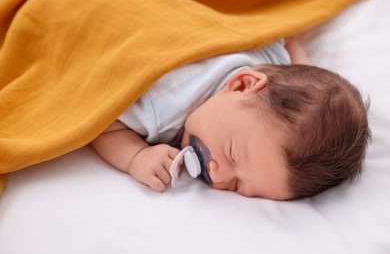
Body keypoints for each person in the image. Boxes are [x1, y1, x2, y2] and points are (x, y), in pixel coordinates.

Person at [90, 36, 370, 200]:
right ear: (242, 85)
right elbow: (102, 123)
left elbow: (290, 42)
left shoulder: (270, 60)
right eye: (233, 154)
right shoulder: (161, 111)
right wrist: (135, 156)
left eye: (238, 186)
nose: (217, 173)